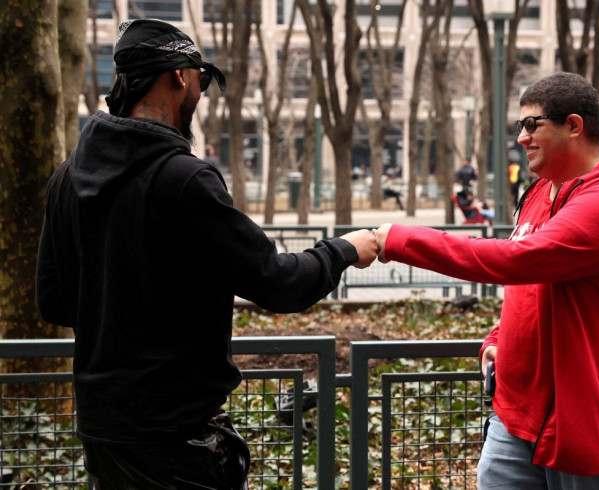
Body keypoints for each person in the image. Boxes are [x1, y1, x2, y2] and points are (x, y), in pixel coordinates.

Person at [35, 19, 377, 489]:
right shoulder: (184, 179)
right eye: (201, 76)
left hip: (103, 434)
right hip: (177, 443)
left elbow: (54, 301)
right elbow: (278, 282)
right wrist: (343, 249)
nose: (201, 89)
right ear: (180, 75)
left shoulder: (64, 179)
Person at [375, 72, 599, 489]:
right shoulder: (538, 192)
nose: (522, 138)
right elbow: (530, 284)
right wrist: (497, 340)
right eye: (520, 126)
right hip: (517, 420)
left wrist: (398, 239)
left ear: (573, 125)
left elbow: (518, 260)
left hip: (592, 430)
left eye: (533, 125)